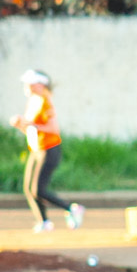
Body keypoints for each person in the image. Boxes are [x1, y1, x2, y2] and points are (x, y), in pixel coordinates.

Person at [8, 69, 84, 232]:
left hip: (49, 149)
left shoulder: (45, 101)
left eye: (30, 83)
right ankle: (44, 222)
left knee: (38, 189)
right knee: (28, 189)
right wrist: (21, 124)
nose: (27, 86)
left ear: (40, 85)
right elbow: (32, 130)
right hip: (36, 149)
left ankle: (71, 208)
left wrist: (29, 124)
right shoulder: (33, 101)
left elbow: (53, 128)